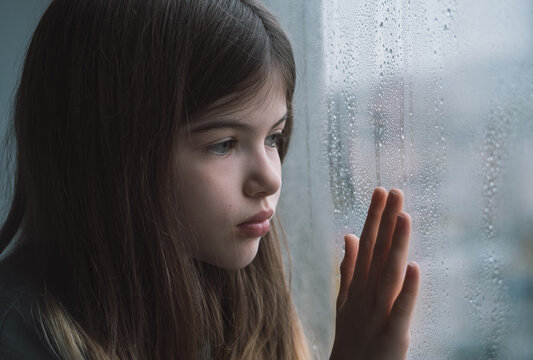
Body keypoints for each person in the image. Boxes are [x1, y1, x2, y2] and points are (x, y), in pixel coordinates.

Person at [0, 0, 420, 359]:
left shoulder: (235, 297)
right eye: (223, 144)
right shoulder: (19, 336)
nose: (271, 178)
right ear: (112, 155)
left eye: (274, 137)